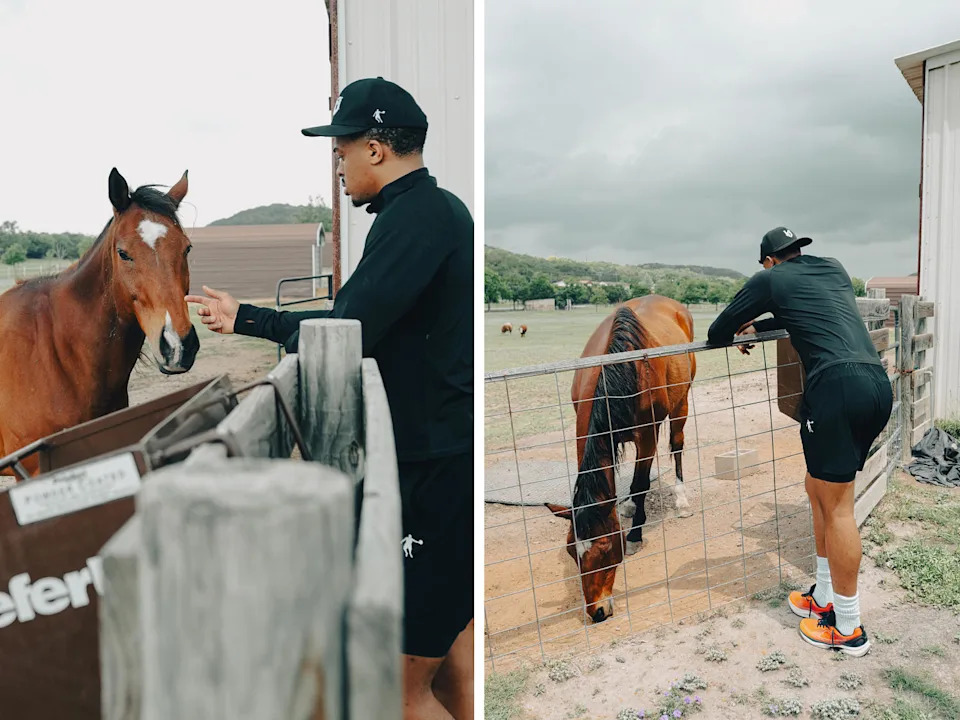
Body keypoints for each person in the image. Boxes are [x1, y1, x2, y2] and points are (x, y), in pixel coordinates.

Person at [186, 77, 474, 719]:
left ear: (375, 147)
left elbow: (349, 326)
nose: (337, 164)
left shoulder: (418, 218)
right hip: (441, 457)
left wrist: (254, 320)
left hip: (429, 468)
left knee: (398, 692)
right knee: (453, 660)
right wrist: (250, 317)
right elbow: (358, 315)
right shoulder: (429, 214)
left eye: (341, 150)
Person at [707, 226, 892, 657]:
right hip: (874, 383)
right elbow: (806, 311)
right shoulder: (834, 269)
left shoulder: (769, 279)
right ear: (798, 251)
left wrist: (747, 327)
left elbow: (718, 332)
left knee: (838, 505)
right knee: (817, 489)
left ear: (769, 260)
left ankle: (847, 627)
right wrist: (767, 323)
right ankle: (824, 596)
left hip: (835, 389)